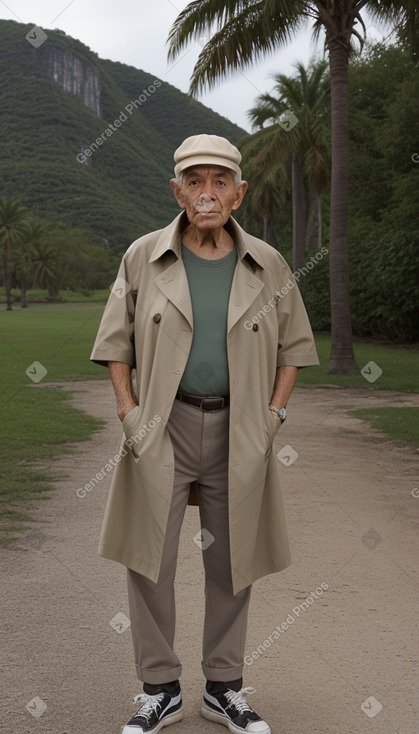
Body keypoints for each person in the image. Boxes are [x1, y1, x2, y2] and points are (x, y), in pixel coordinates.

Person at [90, 134, 319, 734]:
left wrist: (273, 415)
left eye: (220, 181)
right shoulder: (143, 257)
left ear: (239, 193)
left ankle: (224, 687)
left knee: (232, 560)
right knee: (148, 560)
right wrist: (129, 415)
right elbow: (115, 343)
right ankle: (159, 689)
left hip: (240, 429)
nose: (207, 193)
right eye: (195, 181)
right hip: (162, 428)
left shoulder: (268, 264)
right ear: (177, 191)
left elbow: (295, 347)